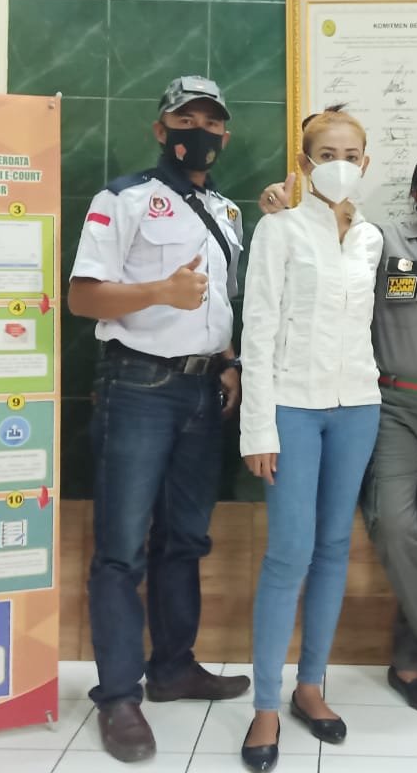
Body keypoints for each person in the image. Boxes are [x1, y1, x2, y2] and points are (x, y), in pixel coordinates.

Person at [258, 148, 417, 714]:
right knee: (394, 525)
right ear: (413, 195)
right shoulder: (382, 242)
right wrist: (283, 213)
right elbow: (327, 254)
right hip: (391, 404)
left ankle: (408, 662)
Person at [67, 76, 251, 763]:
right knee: (121, 548)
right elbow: (83, 298)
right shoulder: (123, 198)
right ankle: (119, 695)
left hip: (204, 391)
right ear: (160, 128)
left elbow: (220, 302)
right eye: (186, 119)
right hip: (138, 387)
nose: (199, 131)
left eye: (211, 121)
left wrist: (228, 363)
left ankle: (173, 668)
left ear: (225, 134)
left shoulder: (229, 212)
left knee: (185, 540)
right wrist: (158, 292)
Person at [238, 107, 383, 772]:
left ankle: (310, 686)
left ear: (366, 163)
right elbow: (258, 329)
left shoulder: (372, 239)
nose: (340, 164)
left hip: (358, 407)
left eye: (351, 154)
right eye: (327, 153)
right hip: (292, 408)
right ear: (304, 162)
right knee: (288, 553)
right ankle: (266, 704)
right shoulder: (279, 228)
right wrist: (258, 427)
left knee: (332, 550)